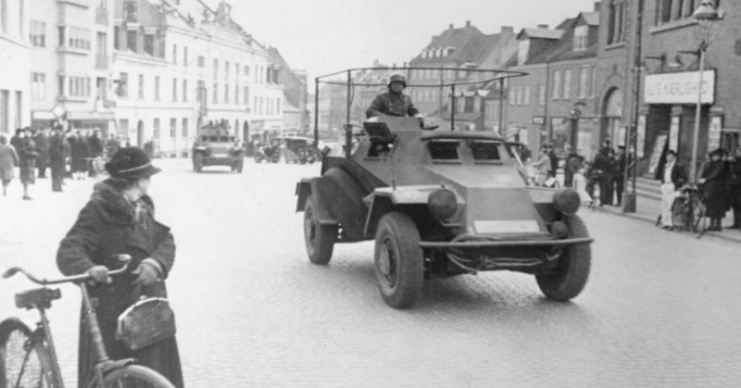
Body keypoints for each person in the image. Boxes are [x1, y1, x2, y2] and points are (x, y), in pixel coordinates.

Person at [56, 147, 184, 388]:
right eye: (148, 177)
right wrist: (89, 268)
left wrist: (155, 263)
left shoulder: (142, 206)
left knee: (153, 375)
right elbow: (68, 250)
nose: (150, 182)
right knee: (114, 376)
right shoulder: (97, 210)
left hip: (147, 312)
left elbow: (165, 240)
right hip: (111, 313)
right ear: (136, 181)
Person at [700, 148, 728, 231]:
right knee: (711, 206)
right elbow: (706, 172)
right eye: (713, 156)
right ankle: (712, 223)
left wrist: (706, 179)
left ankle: (718, 224)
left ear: (719, 156)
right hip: (711, 188)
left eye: (715, 156)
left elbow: (716, 174)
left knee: (718, 207)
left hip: (719, 188)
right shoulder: (711, 163)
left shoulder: (721, 164)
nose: (714, 157)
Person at [658, 150, 687, 230]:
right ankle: (665, 222)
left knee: (671, 205)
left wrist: (676, 185)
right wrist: (663, 184)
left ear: (674, 157)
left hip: (672, 186)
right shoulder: (665, 165)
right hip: (665, 186)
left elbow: (683, 178)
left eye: (670, 156)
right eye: (667, 156)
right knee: (664, 204)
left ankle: (671, 224)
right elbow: (663, 176)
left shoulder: (678, 166)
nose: (668, 158)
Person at [18, 128, 38, 200]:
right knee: (25, 178)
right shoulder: (23, 141)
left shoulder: (32, 140)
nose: (28, 133)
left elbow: (34, 148)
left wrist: (35, 154)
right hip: (25, 160)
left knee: (28, 178)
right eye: (26, 132)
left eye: (29, 132)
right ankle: (25, 194)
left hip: (31, 160)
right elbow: (22, 151)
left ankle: (26, 193)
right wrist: (33, 154)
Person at [49, 126, 66, 192]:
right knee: (59, 172)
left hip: (53, 158)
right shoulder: (59, 139)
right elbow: (60, 149)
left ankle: (54, 187)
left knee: (54, 173)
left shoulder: (52, 138)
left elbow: (50, 149)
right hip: (58, 158)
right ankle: (58, 188)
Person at [727, 147, 741, 230]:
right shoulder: (734, 161)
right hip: (733, 185)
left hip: (739, 185)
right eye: (737, 151)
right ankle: (736, 223)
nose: (738, 153)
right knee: (735, 204)